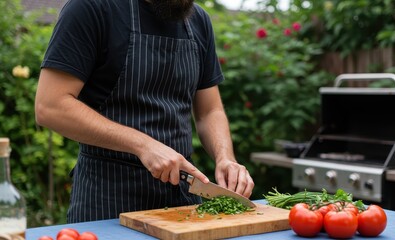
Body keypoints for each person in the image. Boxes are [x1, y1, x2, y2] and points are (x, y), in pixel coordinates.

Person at [35, 0, 254, 223]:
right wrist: (143, 145)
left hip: (182, 206)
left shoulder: (199, 20)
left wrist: (225, 158)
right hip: (107, 204)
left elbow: (210, 111)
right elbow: (51, 105)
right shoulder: (91, 8)